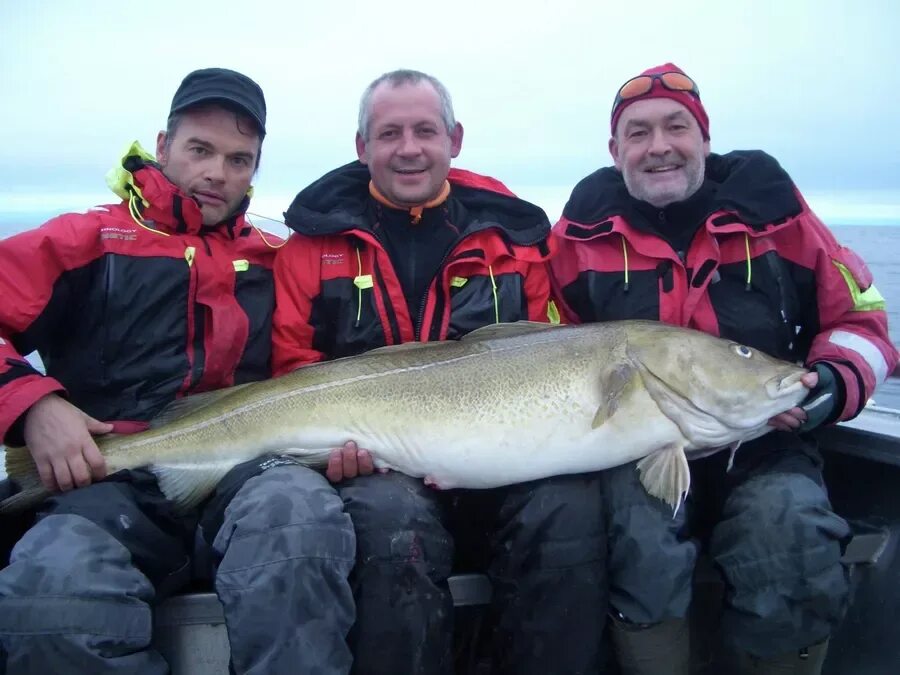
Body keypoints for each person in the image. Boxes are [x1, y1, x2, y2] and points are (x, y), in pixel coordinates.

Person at [0, 68, 356, 674]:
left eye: (239, 159)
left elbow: (330, 368)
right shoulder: (85, 240)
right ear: (163, 147)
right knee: (55, 592)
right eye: (200, 150)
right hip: (110, 478)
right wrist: (34, 404)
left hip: (252, 468)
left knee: (301, 530)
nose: (218, 171)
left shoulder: (278, 258)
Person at [549, 62, 899, 674]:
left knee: (789, 530)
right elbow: (547, 349)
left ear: (704, 138)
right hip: (635, 448)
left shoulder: (780, 219)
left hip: (765, 436)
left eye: (676, 127)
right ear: (615, 150)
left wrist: (831, 387)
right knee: (637, 544)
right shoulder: (577, 238)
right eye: (638, 133)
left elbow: (862, 321)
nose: (659, 147)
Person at [272, 69, 607, 674]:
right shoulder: (307, 247)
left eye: (425, 130)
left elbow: (558, 351)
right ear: (361, 147)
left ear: (454, 138)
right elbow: (293, 368)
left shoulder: (518, 241)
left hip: (505, 463)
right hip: (380, 468)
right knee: (389, 525)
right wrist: (332, 451)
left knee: (569, 511)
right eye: (389, 132)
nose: (408, 148)